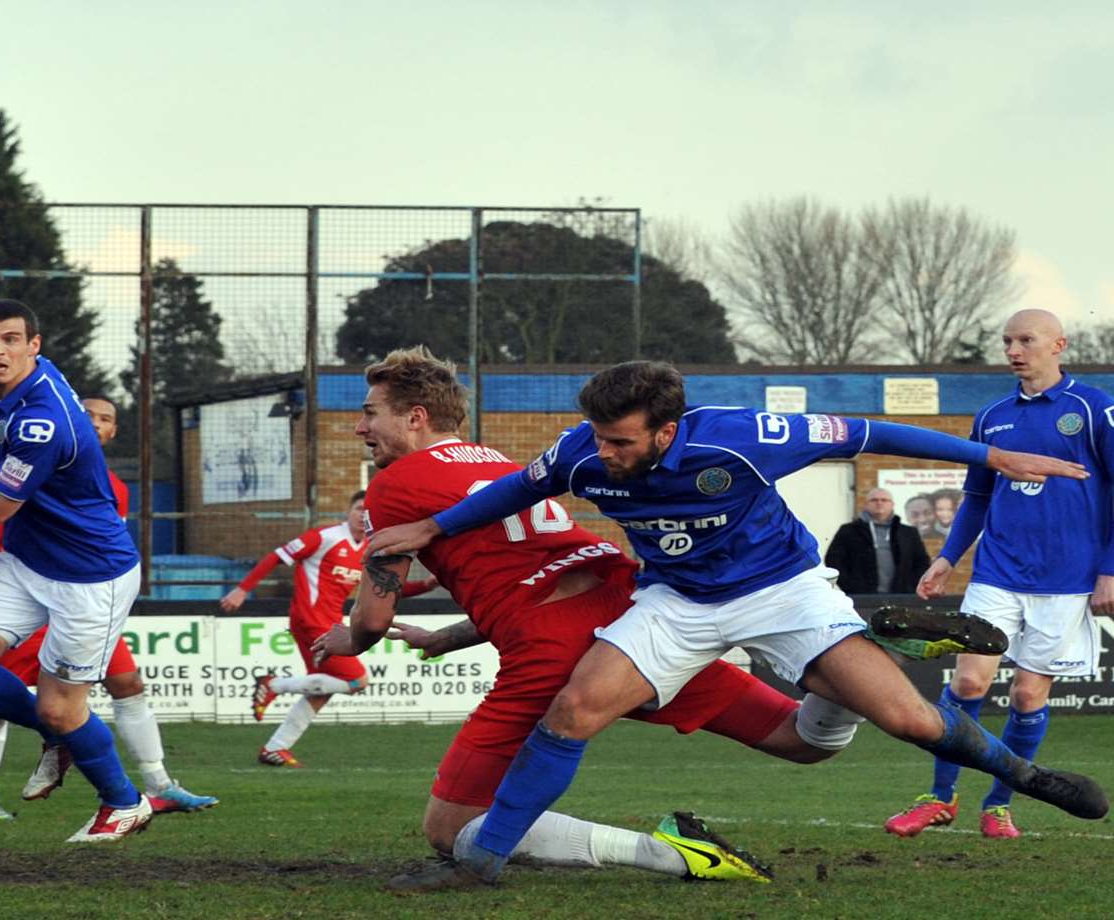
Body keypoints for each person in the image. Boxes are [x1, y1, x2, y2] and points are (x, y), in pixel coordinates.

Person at [365, 359, 1108, 887]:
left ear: (666, 430)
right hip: (678, 601)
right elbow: (509, 493)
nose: (603, 453)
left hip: (781, 590)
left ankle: (1026, 774)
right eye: (598, 436)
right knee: (572, 711)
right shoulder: (579, 453)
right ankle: (481, 866)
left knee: (907, 721)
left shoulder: (744, 437)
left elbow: (870, 432)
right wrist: (435, 527)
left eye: (621, 440)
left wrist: (995, 454)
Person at [316, 347, 819, 888]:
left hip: (549, 644)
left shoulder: (393, 485)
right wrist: (453, 636)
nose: (358, 427)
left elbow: (372, 620)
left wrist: (347, 638)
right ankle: (852, 653)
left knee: (451, 828)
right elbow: (537, 570)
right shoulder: (498, 462)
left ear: (414, 417)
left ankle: (672, 855)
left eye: (371, 412)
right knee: (796, 736)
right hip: (630, 613)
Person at [0, 299, 152, 843]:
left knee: (62, 707)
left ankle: (124, 803)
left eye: (10, 340)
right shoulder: (22, 375)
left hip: (91, 578)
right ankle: (59, 733)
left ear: (34, 346)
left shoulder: (42, 420)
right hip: (25, 563)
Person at [887, 309, 1114, 840]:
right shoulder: (992, 416)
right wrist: (946, 557)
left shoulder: (1094, 407)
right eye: (1008, 340)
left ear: (1059, 344)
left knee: (1029, 698)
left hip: (1069, 580)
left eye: (1026, 340)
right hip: (997, 574)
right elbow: (977, 498)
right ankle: (939, 798)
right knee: (968, 681)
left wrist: (1109, 570)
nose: (1014, 349)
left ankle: (999, 804)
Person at [0, 396, 217, 820]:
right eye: (88, 415)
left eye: (107, 419)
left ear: (114, 431)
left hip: (82, 596)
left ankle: (160, 785)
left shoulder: (114, 488)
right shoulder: (30, 456)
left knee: (127, 683)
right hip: (25, 589)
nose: (97, 424)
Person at [223, 491, 434, 767]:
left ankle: (275, 748)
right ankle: (273, 684)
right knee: (358, 681)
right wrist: (242, 589)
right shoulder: (324, 537)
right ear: (348, 511)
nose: (361, 515)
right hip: (311, 621)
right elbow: (277, 555)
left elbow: (391, 588)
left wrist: (428, 586)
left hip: (328, 623)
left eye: (366, 511)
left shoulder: (370, 549)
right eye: (358, 508)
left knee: (320, 690)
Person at [826, 488, 930, 595]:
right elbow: (834, 560)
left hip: (901, 597)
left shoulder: (908, 533)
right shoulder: (849, 531)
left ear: (892, 504)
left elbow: (922, 562)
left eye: (884, 500)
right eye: (874, 500)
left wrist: (910, 587)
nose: (879, 503)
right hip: (861, 598)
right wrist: (851, 588)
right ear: (866, 505)